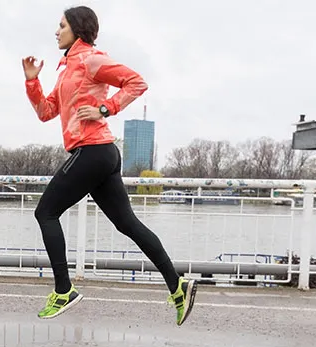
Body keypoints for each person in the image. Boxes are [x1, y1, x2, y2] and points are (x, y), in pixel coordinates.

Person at [22, 5, 196, 326]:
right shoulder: (66, 70)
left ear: (77, 29)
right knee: (127, 223)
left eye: (62, 25)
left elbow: (136, 82)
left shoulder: (91, 60)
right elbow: (46, 111)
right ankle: (177, 285)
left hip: (93, 151)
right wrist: (32, 82)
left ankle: (63, 290)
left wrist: (105, 108)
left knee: (45, 212)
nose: (56, 31)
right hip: (100, 154)